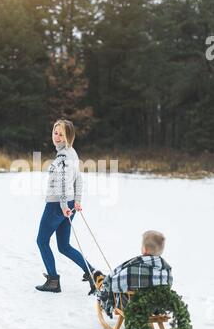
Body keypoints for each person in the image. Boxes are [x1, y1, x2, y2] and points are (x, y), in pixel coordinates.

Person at [36, 119, 96, 293]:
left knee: (42, 241)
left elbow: (63, 182)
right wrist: (76, 200)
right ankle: (92, 274)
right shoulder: (72, 153)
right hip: (67, 203)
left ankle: (53, 280)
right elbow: (78, 178)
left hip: (57, 205)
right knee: (64, 246)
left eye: (62, 134)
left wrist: (63, 205)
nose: (57, 137)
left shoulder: (63, 156)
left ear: (69, 136)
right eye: (55, 132)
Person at [96, 230, 173, 315]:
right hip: (155, 308)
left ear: (145, 250)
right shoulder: (167, 270)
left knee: (112, 287)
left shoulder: (132, 270)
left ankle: (104, 297)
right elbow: (167, 288)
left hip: (132, 307)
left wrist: (107, 283)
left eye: (142, 246)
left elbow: (114, 285)